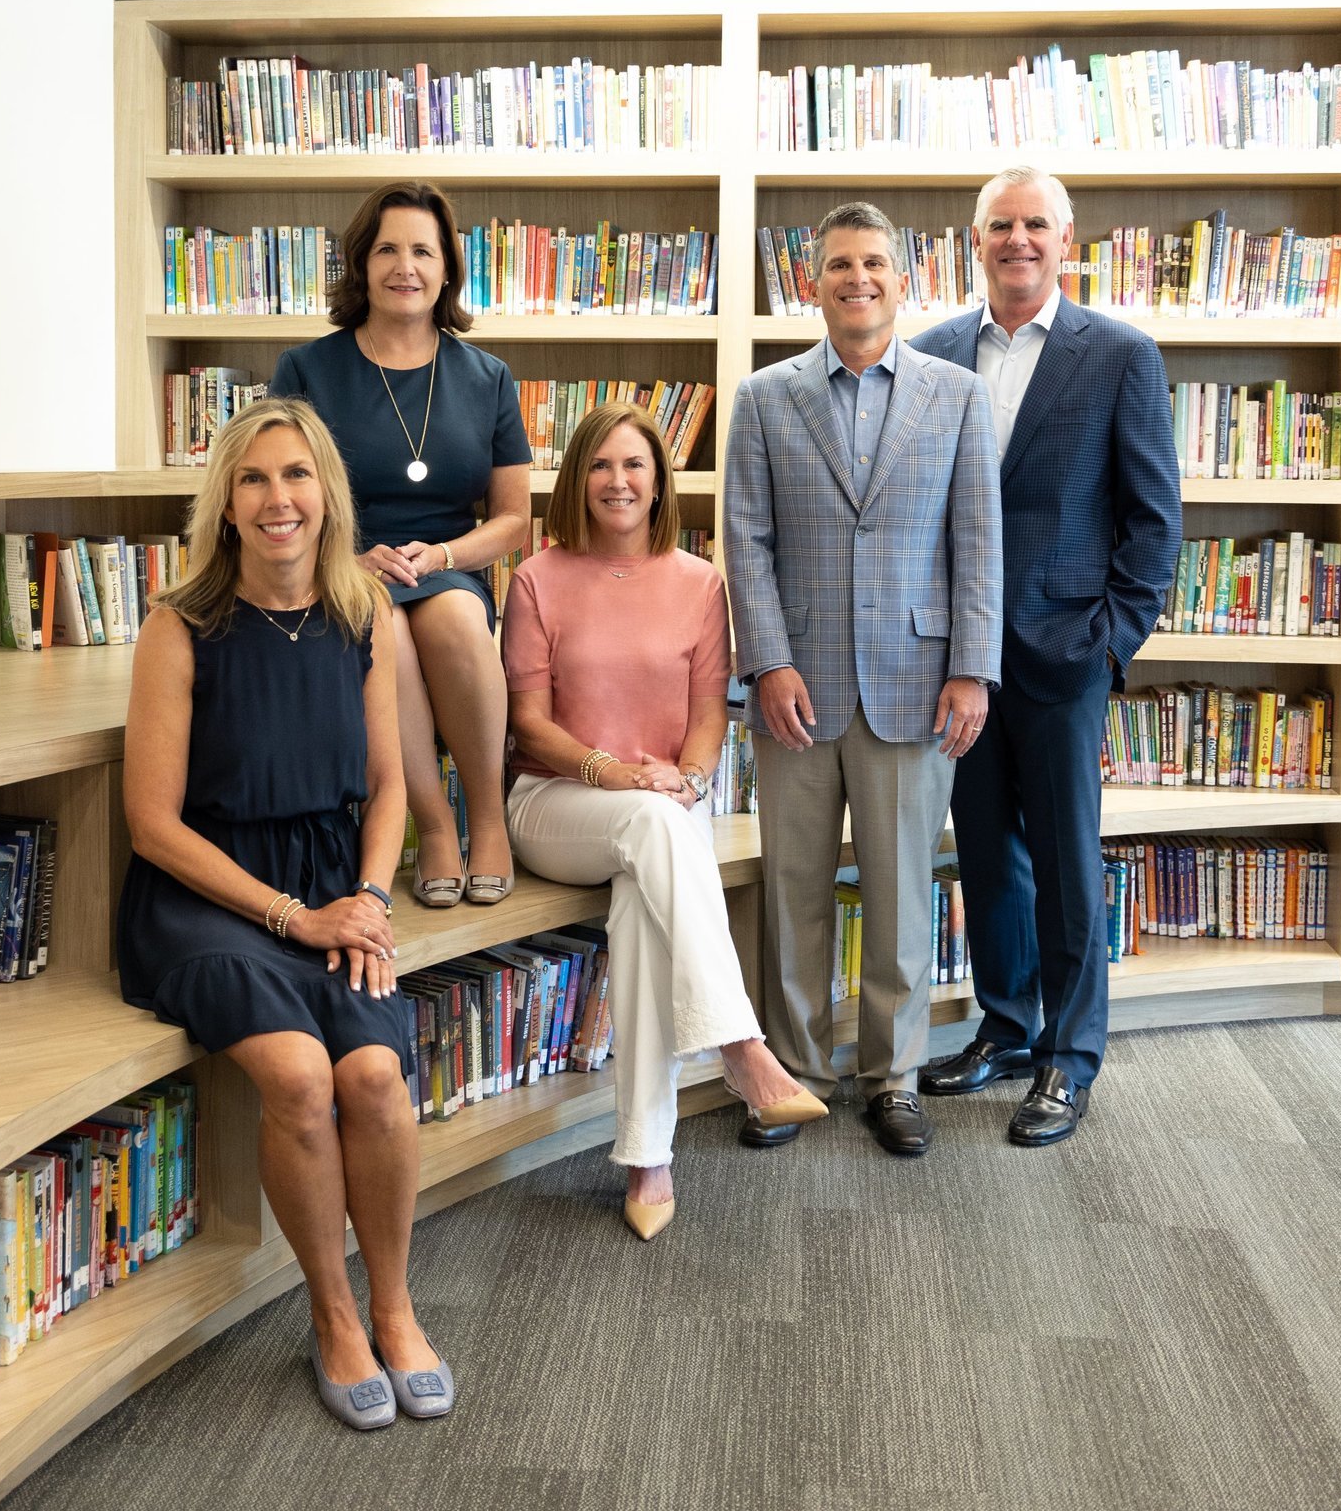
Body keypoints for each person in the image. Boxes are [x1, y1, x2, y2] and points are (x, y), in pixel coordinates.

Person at [117, 396, 453, 1430]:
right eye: (255, 479)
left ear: (326, 496)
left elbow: (391, 785)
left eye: (297, 476)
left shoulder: (365, 614)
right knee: (303, 1078)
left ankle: (394, 1307)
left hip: (333, 885)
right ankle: (333, 1313)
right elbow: (150, 824)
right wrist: (290, 917)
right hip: (208, 893)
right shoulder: (180, 628)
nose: (278, 499)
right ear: (225, 504)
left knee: (376, 1077)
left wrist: (367, 897)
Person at [503, 401, 827, 1240]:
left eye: (635, 465)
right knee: (650, 829)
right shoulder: (538, 577)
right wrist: (609, 772)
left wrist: (686, 779)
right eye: (602, 465)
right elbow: (528, 724)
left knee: (645, 905)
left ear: (658, 481)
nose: (618, 480)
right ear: (579, 477)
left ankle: (648, 1156)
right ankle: (740, 1047)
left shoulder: (700, 583)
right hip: (555, 800)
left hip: (657, 807)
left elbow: (706, 717)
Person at [723, 202, 1002, 1158]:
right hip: (793, 691)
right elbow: (746, 541)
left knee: (895, 897)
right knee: (793, 891)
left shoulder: (955, 395)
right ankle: (796, 1075)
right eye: (839, 264)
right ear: (811, 282)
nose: (858, 278)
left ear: (902, 278)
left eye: (874, 263)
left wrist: (972, 668)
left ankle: (892, 1076)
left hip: (914, 683)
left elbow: (977, 541)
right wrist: (766, 659)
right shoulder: (763, 399)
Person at [912, 166, 1181, 1144]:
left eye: (1034, 225)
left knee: (1067, 866)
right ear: (971, 239)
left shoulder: (1117, 356)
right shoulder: (931, 351)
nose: (1016, 240)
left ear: (1066, 241)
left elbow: (1152, 524)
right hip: (959, 664)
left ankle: (1069, 1059)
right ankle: (1007, 1025)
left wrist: (1109, 641)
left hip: (1064, 656)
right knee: (985, 857)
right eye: (999, 226)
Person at [269, 181, 530, 910]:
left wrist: (443, 555)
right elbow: (272, 491)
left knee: (450, 618)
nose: (404, 266)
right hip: (342, 569)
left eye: (423, 250)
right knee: (384, 628)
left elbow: (513, 519)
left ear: (448, 269)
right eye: (387, 249)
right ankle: (435, 824)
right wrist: (342, 561)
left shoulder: (487, 378)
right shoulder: (304, 370)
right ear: (361, 264)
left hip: (445, 566)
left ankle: (487, 815)